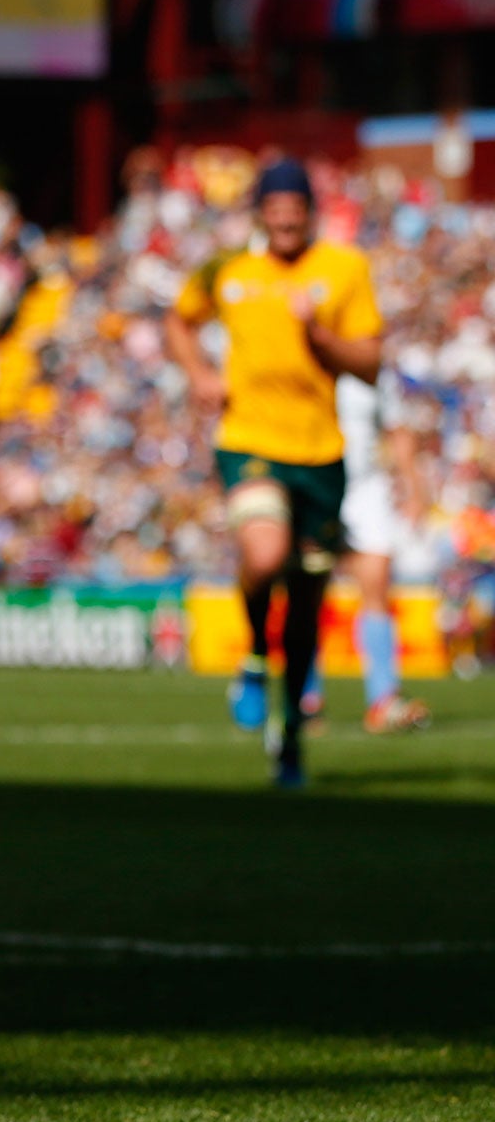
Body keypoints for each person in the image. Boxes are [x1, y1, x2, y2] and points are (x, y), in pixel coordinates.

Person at [166, 158, 383, 787]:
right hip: (248, 440)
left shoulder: (345, 268)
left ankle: (289, 738)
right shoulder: (227, 269)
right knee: (265, 555)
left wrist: (319, 336)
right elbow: (179, 320)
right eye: (275, 209)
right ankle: (256, 657)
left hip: (321, 453)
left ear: (310, 212)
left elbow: (370, 360)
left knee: (310, 601)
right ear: (260, 213)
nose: (285, 219)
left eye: (296, 210)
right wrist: (201, 376)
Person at [327, 367, 431, 734]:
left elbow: (397, 431)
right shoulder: (301, 355)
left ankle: (383, 699)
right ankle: (304, 699)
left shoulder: (373, 372)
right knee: (306, 583)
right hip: (315, 479)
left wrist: (413, 486)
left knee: (376, 582)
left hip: (364, 487)